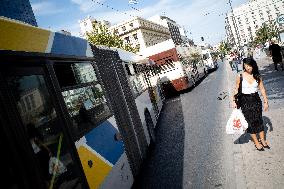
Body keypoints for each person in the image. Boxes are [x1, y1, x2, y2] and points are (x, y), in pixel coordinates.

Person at [232, 58, 269, 151]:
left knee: (259, 120)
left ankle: (263, 140)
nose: (247, 68)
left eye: (249, 65)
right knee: (250, 122)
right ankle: (256, 142)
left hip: (256, 100)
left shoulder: (257, 76)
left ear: (253, 65)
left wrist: (265, 102)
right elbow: (236, 89)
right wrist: (233, 100)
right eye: (245, 66)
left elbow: (262, 89)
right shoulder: (240, 76)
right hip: (245, 101)